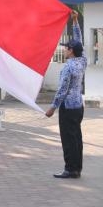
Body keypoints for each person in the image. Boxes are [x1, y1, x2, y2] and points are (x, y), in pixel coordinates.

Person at [46, 10, 86, 179]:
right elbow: (80, 43)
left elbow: (62, 90)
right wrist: (75, 21)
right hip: (79, 106)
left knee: (68, 139)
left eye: (67, 48)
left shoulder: (69, 67)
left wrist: (52, 108)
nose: (65, 50)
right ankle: (77, 168)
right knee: (76, 137)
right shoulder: (82, 60)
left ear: (71, 51)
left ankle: (70, 169)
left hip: (68, 108)